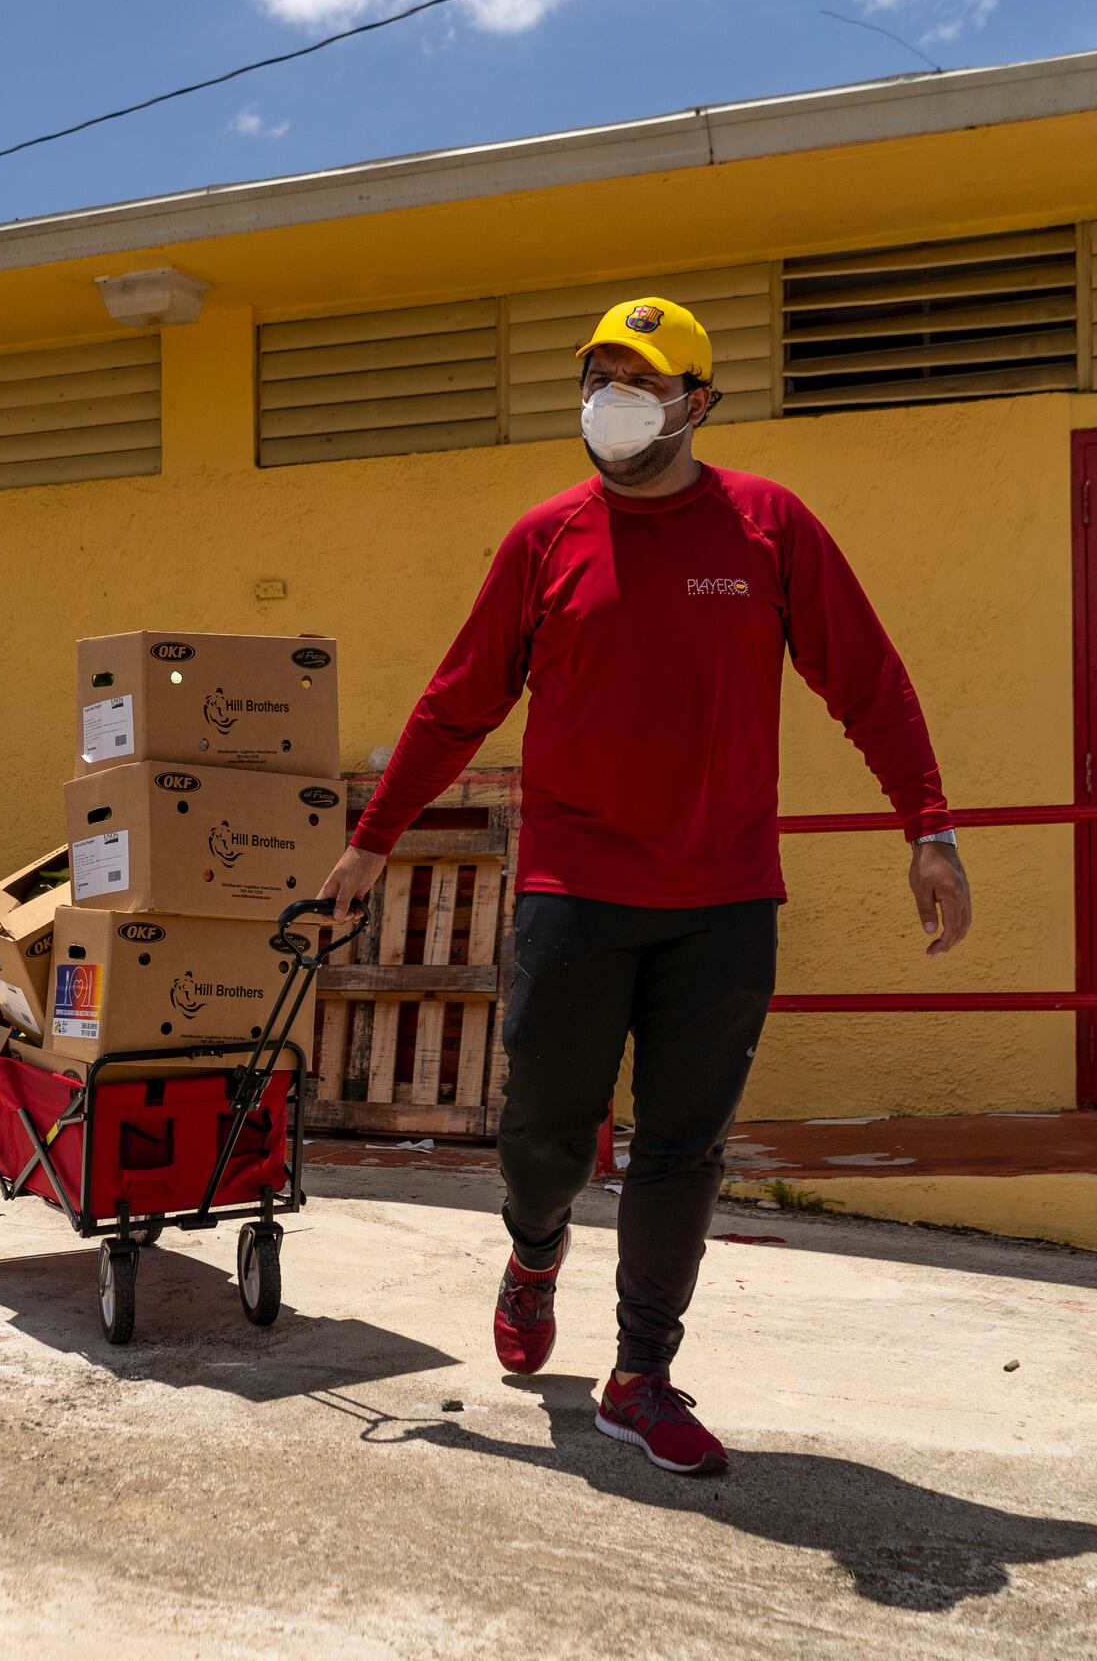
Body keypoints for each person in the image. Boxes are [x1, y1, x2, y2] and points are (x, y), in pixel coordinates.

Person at [316, 296, 971, 1476]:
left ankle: (641, 1374)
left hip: (721, 898)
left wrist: (929, 826)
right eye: (595, 377)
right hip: (577, 886)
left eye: (638, 378)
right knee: (544, 1138)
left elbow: (868, 681)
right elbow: (456, 702)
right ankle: (532, 1250)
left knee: (684, 1148)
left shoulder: (768, 527)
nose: (609, 399)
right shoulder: (544, 540)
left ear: (695, 401)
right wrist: (372, 840)